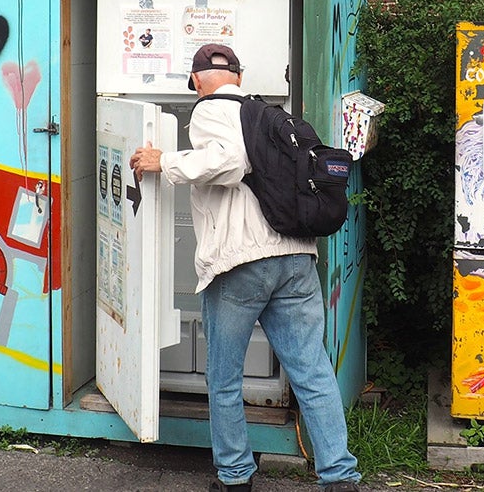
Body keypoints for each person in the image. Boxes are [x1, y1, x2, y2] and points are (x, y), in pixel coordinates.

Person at [129, 44, 361, 492]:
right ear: (239, 74)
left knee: (224, 377)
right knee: (312, 371)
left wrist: (167, 161)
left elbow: (230, 161)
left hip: (241, 261)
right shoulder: (270, 117)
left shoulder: (208, 110)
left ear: (195, 80)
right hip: (296, 257)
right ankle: (339, 476)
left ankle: (235, 476)